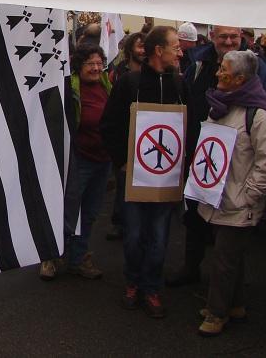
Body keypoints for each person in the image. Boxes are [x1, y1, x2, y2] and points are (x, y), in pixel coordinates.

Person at [168, 25, 266, 287]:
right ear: (213, 37)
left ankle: (226, 292)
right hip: (202, 154)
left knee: (229, 236)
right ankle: (192, 268)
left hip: (237, 162)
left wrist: (249, 193)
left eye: (233, 36)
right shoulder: (198, 63)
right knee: (195, 216)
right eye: (223, 36)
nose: (228, 41)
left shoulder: (255, 66)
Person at [101, 26, 189, 318]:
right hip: (134, 175)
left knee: (159, 236)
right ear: (159, 51)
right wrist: (121, 162)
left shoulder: (179, 84)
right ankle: (133, 283)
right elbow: (110, 125)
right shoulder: (130, 83)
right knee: (134, 235)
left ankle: (151, 287)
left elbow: (190, 127)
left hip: (166, 177)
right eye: (175, 47)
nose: (180, 52)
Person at [196, 50, 266, 336]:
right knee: (231, 256)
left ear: (240, 79)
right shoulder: (221, 106)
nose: (217, 73)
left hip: (237, 202)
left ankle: (216, 313)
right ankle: (235, 304)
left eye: (224, 70)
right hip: (219, 198)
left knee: (223, 259)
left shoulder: (259, 116)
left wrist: (247, 196)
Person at [40, 44, 112, 281]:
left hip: (102, 161)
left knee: (89, 213)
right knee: (66, 211)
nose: (96, 68)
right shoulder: (69, 89)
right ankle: (51, 256)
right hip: (77, 161)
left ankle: (77, 258)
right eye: (90, 64)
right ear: (79, 66)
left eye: (99, 63)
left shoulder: (107, 86)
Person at [106, 30, 146, 241]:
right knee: (123, 186)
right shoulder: (120, 72)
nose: (143, 50)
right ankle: (120, 222)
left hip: (144, 139)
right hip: (125, 139)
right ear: (131, 49)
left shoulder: (153, 75)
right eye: (140, 46)